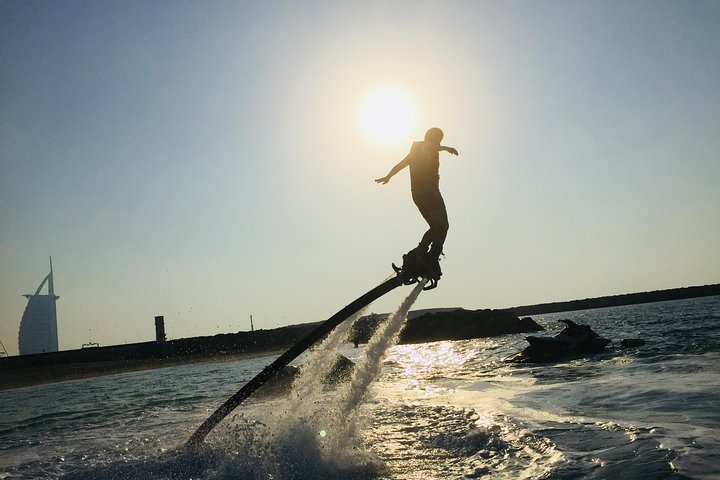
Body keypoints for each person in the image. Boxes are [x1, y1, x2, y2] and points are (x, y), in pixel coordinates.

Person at [375, 127, 458, 277]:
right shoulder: (423, 146)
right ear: (431, 137)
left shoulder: (415, 151)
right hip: (429, 193)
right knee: (443, 226)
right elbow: (429, 146)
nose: (439, 142)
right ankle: (431, 257)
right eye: (438, 138)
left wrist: (388, 176)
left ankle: (416, 255)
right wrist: (446, 148)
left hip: (418, 195)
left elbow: (400, 165)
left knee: (435, 227)